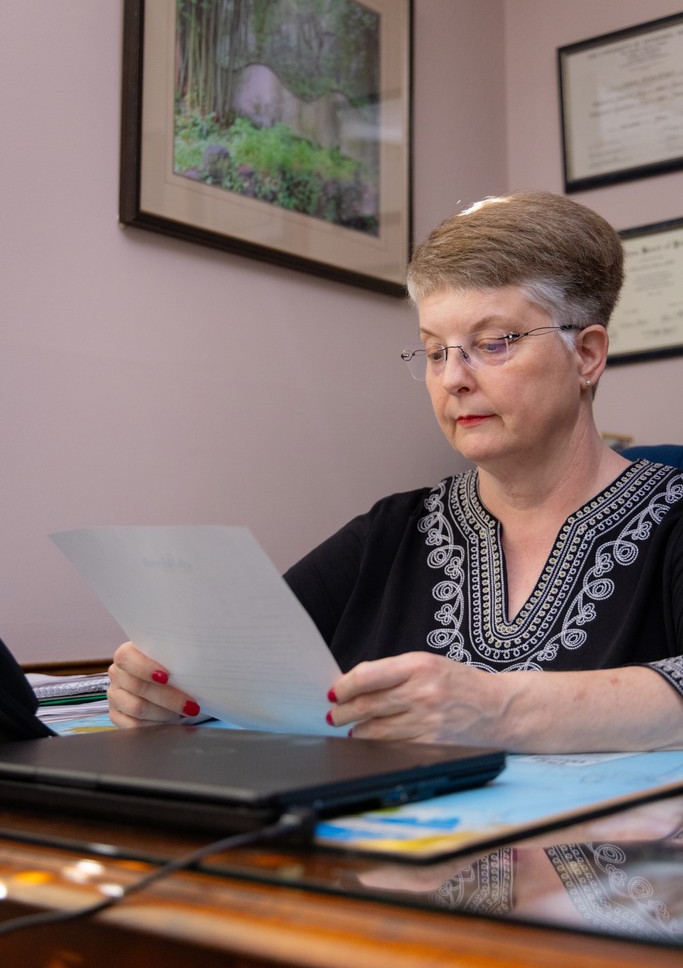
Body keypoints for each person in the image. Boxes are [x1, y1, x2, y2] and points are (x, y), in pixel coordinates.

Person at [107, 190, 683, 752]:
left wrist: (497, 707)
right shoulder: (390, 531)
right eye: (434, 351)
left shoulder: (674, 519)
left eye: (493, 343)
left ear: (586, 354)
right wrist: (171, 685)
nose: (454, 378)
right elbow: (240, 661)